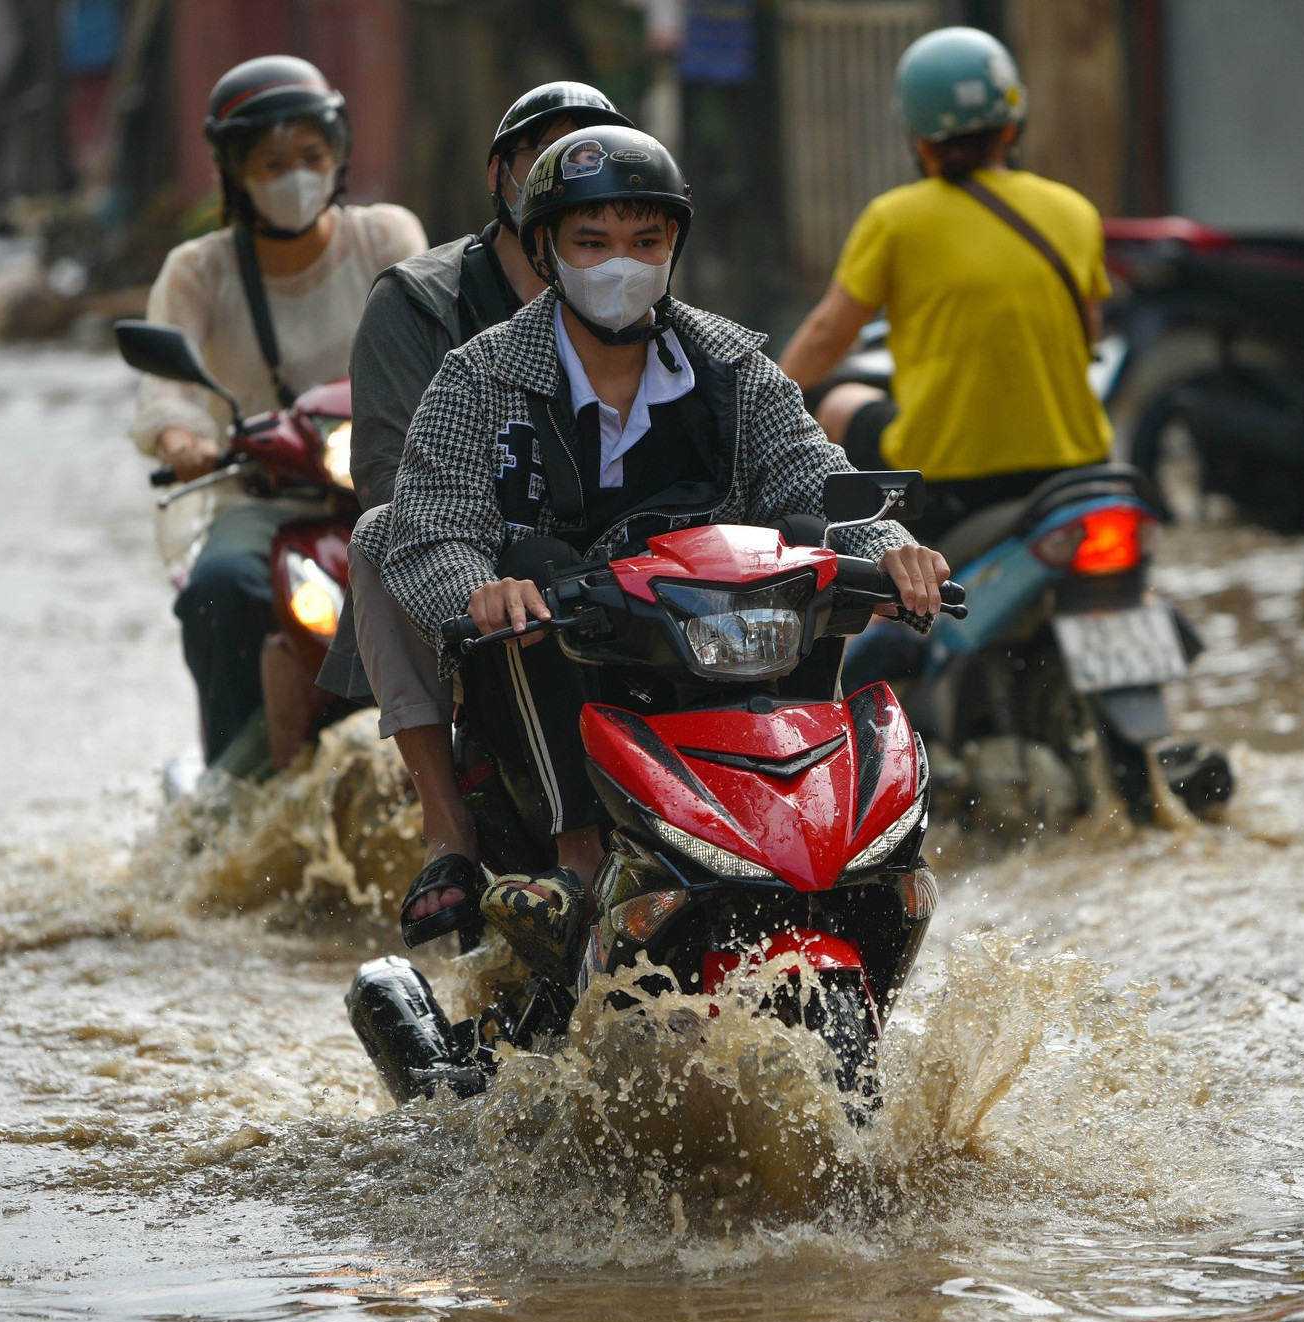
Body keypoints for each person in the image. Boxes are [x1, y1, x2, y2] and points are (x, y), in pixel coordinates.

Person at [362, 126, 951, 978]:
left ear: (675, 242)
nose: (620, 264)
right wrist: (480, 587)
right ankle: (577, 865)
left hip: (718, 642)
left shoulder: (732, 364)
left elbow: (813, 476)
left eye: (645, 240)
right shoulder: (478, 374)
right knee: (524, 570)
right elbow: (431, 522)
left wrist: (892, 548)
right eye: (591, 242)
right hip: (569, 652)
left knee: (811, 569)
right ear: (546, 249)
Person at [313, 82, 634, 951]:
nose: (575, 180)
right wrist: (490, 565)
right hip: (476, 572)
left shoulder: (665, 313)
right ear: (503, 176)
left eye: (640, 237)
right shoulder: (428, 310)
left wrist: (874, 537)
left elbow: (761, 455)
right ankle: (448, 829)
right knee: (396, 539)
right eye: (549, 158)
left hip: (629, 577)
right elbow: (393, 482)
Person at [127, 55, 425, 771]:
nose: (295, 174)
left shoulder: (387, 239)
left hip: (390, 490)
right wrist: (181, 435)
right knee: (219, 589)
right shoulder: (198, 271)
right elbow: (164, 390)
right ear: (234, 169)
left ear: (339, 155)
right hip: (264, 499)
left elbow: (436, 349)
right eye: (272, 161)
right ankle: (234, 785)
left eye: (311, 156)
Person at [778, 26, 1115, 544]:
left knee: (840, 404)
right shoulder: (1075, 211)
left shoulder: (895, 219)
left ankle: (853, 567)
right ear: (1011, 125)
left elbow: (828, 334)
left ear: (918, 134)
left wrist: (762, 409)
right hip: (1077, 470)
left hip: (945, 481)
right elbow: (1087, 336)